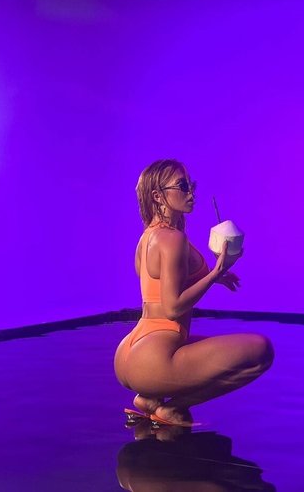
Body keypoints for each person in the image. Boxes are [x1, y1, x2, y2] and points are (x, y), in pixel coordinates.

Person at [114, 159, 274, 426]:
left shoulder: (148, 237)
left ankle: (149, 398)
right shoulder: (173, 239)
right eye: (182, 186)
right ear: (158, 196)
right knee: (261, 352)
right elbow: (172, 307)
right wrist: (214, 273)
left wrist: (216, 277)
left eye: (192, 185)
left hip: (129, 354)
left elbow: (160, 290)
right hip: (155, 357)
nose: (191, 193)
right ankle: (173, 408)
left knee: (220, 350)